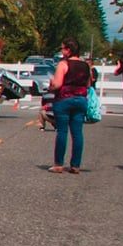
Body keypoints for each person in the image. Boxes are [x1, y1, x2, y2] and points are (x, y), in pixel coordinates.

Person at [48, 40, 92, 174]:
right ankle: (75, 165)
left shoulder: (64, 64)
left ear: (68, 50)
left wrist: (51, 85)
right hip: (81, 100)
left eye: (63, 49)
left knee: (62, 132)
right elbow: (88, 84)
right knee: (77, 133)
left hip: (64, 99)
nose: (62, 51)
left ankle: (58, 164)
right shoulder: (85, 65)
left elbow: (57, 84)